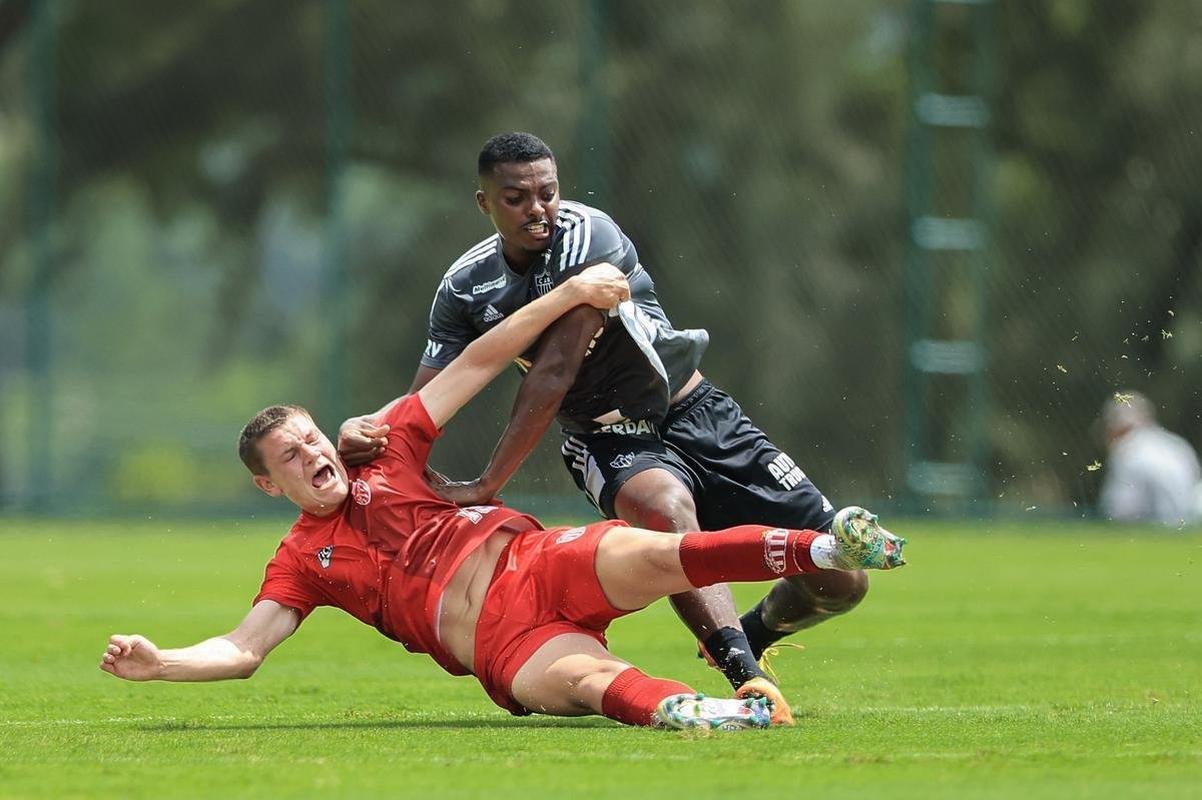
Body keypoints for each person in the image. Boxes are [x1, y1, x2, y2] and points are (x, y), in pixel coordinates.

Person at [100, 265, 907, 731]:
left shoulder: (391, 448)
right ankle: (712, 714)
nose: (314, 454)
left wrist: (564, 298)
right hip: (504, 647)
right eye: (291, 456)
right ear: (267, 484)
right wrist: (161, 664)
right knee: (591, 683)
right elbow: (242, 651)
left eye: (312, 438)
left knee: (665, 551)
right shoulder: (300, 564)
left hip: (538, 561)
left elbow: (480, 361)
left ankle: (830, 548)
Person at [340, 132, 873, 711]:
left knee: (843, 581)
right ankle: (745, 675)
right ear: (484, 203)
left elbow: (553, 372)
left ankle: (758, 631)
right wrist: (372, 430)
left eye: (547, 193)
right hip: (605, 436)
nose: (537, 209)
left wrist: (487, 484)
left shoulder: (588, 235)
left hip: (696, 413)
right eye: (515, 197)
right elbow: (428, 398)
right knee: (666, 510)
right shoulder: (465, 287)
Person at [1098, 390, 1202, 526]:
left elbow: (1119, 511)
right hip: (1190, 526)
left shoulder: (1128, 449)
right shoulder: (1177, 443)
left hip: (1157, 530)